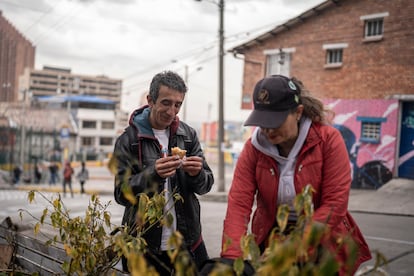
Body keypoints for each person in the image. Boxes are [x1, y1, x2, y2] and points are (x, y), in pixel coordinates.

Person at [220, 75, 372, 275]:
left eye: (276, 121)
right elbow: (239, 203)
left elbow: (334, 203)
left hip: (322, 241)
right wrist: (231, 258)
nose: (267, 129)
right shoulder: (254, 148)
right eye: (263, 121)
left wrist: (293, 247)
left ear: (298, 113)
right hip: (271, 240)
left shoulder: (327, 140)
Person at [112, 70, 214, 275]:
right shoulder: (129, 140)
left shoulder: (187, 135)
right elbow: (121, 194)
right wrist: (153, 174)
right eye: (166, 103)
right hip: (144, 246)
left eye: (178, 105)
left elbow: (206, 185)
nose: (172, 111)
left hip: (188, 243)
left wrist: (198, 174)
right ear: (151, 100)